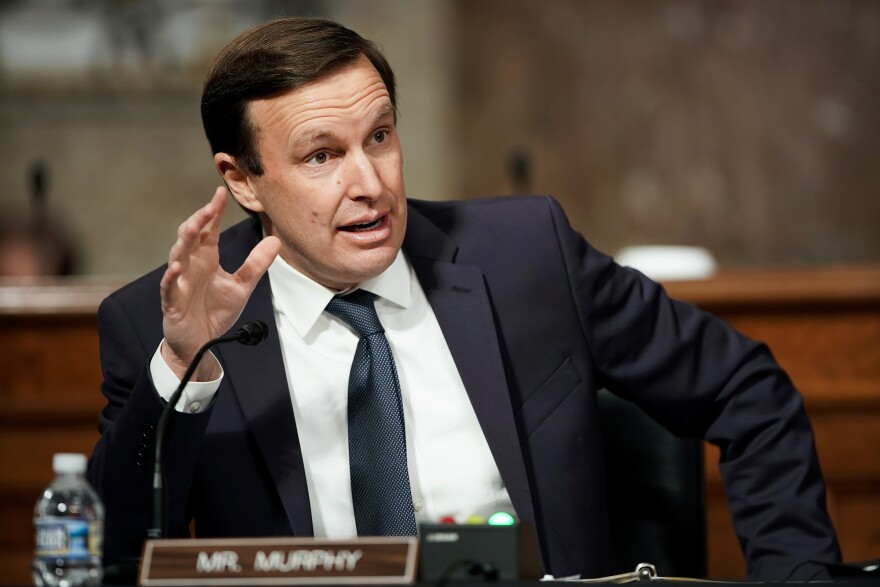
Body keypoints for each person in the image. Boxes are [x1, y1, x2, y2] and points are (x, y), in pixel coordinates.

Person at [87, 17, 841, 580]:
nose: (370, 183)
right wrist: (184, 363)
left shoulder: (526, 259)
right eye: (323, 156)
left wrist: (797, 574)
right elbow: (110, 547)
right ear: (242, 179)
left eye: (379, 137)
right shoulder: (163, 325)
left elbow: (745, 387)